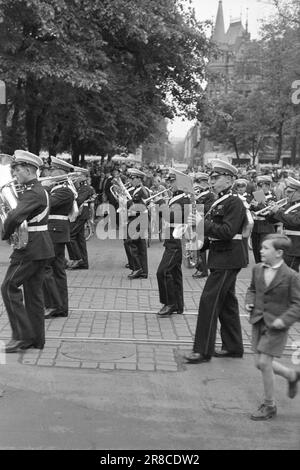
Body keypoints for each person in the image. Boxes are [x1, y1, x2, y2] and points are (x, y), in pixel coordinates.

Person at [184, 160, 248, 364]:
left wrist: (202, 223)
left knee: (209, 301)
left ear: (229, 179)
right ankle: (233, 346)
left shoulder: (235, 202)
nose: (211, 181)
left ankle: (203, 351)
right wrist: (198, 247)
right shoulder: (219, 201)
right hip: (221, 255)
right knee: (227, 303)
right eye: (211, 178)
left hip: (228, 257)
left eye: (215, 178)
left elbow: (228, 232)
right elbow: (214, 233)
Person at [1, 150, 54, 352]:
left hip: (31, 249)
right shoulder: (35, 190)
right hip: (39, 247)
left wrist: (5, 233)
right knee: (33, 295)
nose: (15, 175)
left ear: (30, 170)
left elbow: (14, 217)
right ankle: (35, 339)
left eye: (18, 170)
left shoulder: (33, 193)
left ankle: (22, 336)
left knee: (8, 287)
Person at [245, 234, 300, 420]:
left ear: (279, 253)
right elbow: (252, 290)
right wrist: (249, 302)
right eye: (261, 248)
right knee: (258, 363)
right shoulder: (257, 269)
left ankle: (270, 406)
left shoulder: (291, 276)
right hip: (258, 321)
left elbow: (297, 304)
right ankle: (291, 374)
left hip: (277, 326)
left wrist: (283, 321)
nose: (261, 251)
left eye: (265, 248)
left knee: (263, 363)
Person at [42, 157, 76, 318]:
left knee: (47, 269)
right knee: (56, 270)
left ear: (60, 172)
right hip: (55, 232)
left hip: (55, 232)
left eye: (52, 170)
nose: (49, 173)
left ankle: (54, 305)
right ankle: (60, 306)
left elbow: (46, 203)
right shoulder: (59, 188)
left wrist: (43, 188)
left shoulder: (64, 190)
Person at [156, 171, 190, 317]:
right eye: (168, 182)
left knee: (162, 272)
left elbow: (171, 217)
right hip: (171, 239)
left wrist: (162, 204)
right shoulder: (176, 198)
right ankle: (178, 305)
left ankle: (169, 303)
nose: (168, 185)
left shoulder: (183, 199)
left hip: (176, 241)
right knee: (175, 273)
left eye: (171, 182)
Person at [266, 176, 300, 272]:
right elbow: (272, 221)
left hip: (296, 245)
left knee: (289, 273)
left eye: (290, 192)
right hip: (287, 244)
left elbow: (295, 221)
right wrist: (272, 213)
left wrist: (278, 212)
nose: (286, 194)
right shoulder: (289, 205)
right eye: (286, 191)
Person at [66, 172, 95, 270]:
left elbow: (79, 200)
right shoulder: (81, 187)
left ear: (84, 177)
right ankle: (83, 263)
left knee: (71, 235)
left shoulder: (85, 188)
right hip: (80, 214)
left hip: (81, 214)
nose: (75, 178)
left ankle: (78, 259)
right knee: (80, 239)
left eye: (78, 176)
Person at [126, 168, 149, 279]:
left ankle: (137, 268)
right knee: (140, 246)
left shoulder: (143, 191)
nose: (130, 180)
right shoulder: (135, 190)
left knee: (132, 243)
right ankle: (143, 271)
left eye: (133, 178)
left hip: (139, 219)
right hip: (136, 218)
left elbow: (145, 203)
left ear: (139, 179)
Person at [192, 172, 215, 279]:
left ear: (205, 182)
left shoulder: (210, 195)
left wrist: (195, 205)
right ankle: (199, 268)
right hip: (197, 222)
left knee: (201, 247)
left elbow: (208, 208)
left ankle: (203, 270)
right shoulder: (198, 193)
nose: (198, 184)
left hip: (204, 222)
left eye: (199, 182)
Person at [250, 175, 277, 263]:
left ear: (269, 186)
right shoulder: (256, 195)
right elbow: (251, 209)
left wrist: (257, 205)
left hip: (266, 227)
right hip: (256, 226)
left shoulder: (272, 197)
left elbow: (267, 211)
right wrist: (250, 206)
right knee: (256, 251)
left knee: (264, 251)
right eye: (260, 186)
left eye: (266, 185)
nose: (263, 188)